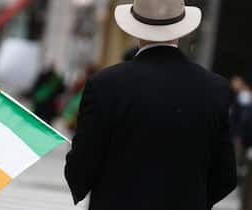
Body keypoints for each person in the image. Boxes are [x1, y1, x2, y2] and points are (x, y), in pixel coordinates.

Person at [64, 0, 237, 210]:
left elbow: (80, 169)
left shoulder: (104, 85)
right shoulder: (215, 89)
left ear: (136, 29)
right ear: (180, 30)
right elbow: (226, 175)